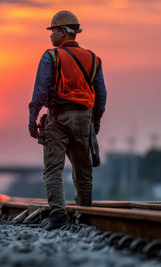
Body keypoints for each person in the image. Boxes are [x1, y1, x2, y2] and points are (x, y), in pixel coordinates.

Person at [28, 11, 107, 230]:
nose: (51, 36)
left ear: (63, 32)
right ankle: (84, 217)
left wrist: (32, 118)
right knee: (83, 170)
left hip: (58, 118)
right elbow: (101, 95)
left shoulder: (51, 57)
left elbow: (40, 92)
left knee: (53, 169)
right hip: (84, 119)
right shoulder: (93, 59)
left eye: (53, 31)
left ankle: (58, 217)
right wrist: (95, 122)